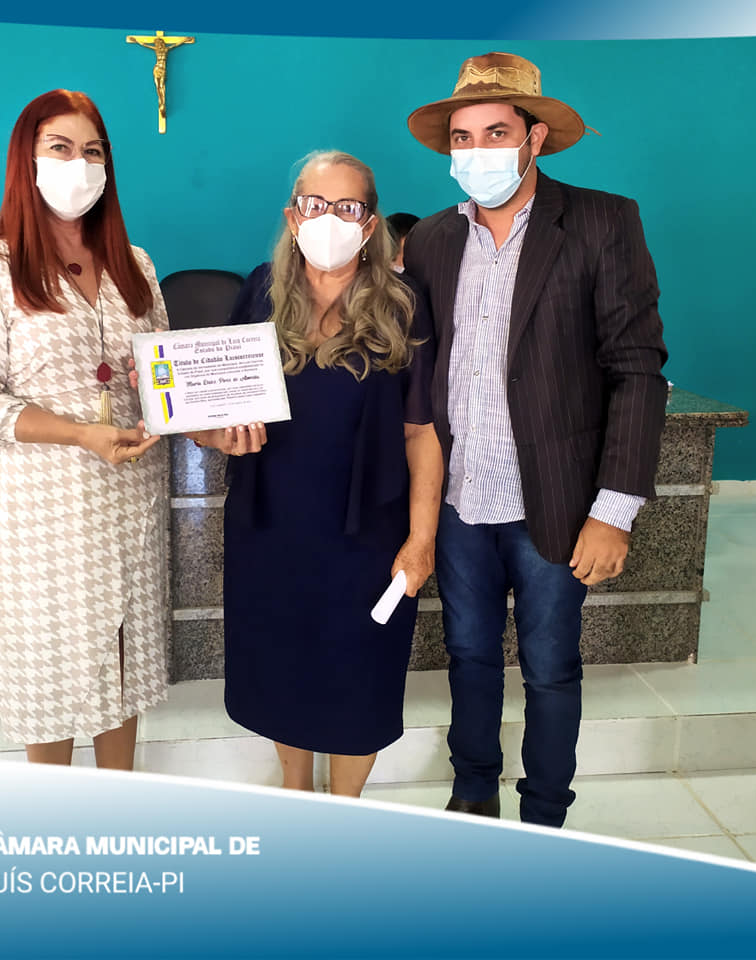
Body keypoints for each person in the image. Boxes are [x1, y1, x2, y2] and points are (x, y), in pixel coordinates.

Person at [404, 52, 668, 826]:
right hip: (461, 500)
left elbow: (637, 371)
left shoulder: (600, 222)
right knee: (469, 653)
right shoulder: (431, 240)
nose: (476, 151)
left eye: (496, 132)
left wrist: (614, 511)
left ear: (534, 137)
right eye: (462, 137)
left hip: (557, 499)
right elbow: (417, 370)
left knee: (551, 666)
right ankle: (473, 788)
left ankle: (546, 811)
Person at [189, 151, 442, 797]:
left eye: (348, 207)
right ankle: (295, 794)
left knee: (360, 679)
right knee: (283, 670)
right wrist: (218, 434)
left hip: (368, 536)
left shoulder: (405, 303)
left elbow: (421, 432)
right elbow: (208, 417)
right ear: (292, 215)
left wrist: (421, 540)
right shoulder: (260, 292)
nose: (330, 218)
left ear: (370, 223)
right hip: (270, 526)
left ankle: (343, 813)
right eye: (315, 204)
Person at [0, 90, 169, 770]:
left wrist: (176, 400)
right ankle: (54, 814)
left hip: (130, 498)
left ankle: (119, 801)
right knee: (52, 670)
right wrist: (78, 434)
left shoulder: (136, 264)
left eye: (93, 151)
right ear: (27, 161)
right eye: (61, 149)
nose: (80, 165)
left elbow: (162, 376)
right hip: (47, 511)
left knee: (122, 663)